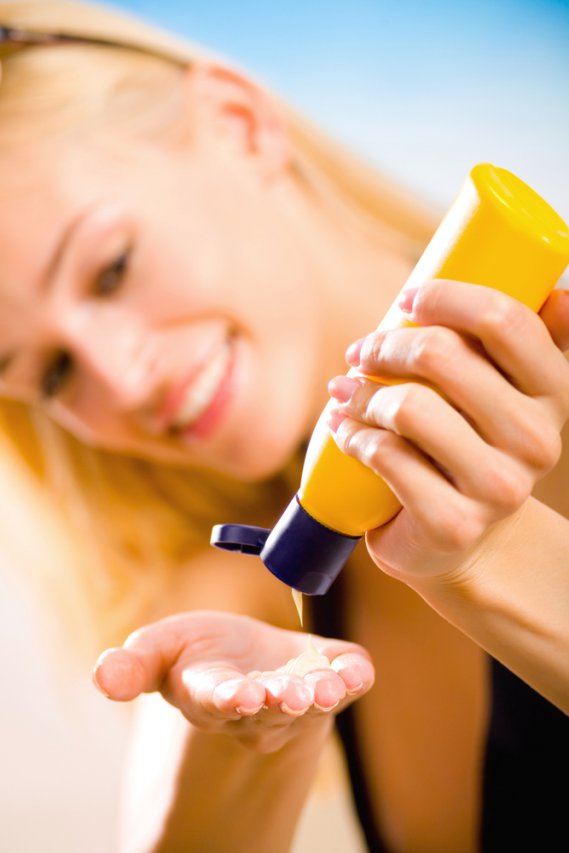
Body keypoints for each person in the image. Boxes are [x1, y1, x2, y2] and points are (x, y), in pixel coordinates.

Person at [0, 2, 568, 851]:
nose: (124, 377)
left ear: (239, 126)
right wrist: (241, 746)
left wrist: (495, 559)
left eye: (112, 269)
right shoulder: (241, 590)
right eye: (52, 372)